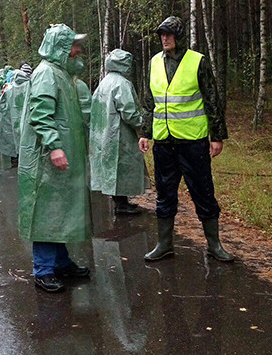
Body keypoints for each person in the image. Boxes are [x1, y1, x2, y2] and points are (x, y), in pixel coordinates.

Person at [139, 16, 232, 263]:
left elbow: (212, 99)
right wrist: (145, 132)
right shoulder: (154, 63)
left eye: (169, 34)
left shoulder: (197, 61)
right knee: (165, 194)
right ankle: (164, 244)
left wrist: (217, 136)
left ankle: (214, 245)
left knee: (203, 192)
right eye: (162, 34)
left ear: (180, 37)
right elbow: (150, 100)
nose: (165, 38)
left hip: (193, 142)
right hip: (164, 142)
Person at [18, 24, 92, 293]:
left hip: (60, 156)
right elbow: (40, 115)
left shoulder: (61, 74)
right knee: (46, 213)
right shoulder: (47, 73)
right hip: (45, 160)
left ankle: (61, 262)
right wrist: (54, 146)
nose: (78, 50)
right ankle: (43, 269)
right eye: (74, 45)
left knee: (60, 210)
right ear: (61, 48)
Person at [91, 49, 146, 215]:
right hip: (119, 133)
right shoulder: (121, 83)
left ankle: (121, 202)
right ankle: (121, 204)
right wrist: (143, 125)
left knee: (112, 168)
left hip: (104, 133)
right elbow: (129, 112)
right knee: (121, 167)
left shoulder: (104, 82)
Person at [0, 69, 30, 165]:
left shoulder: (9, 89)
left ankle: (15, 157)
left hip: (11, 119)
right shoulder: (30, 86)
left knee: (13, 137)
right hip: (27, 118)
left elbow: (0, 107)